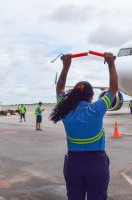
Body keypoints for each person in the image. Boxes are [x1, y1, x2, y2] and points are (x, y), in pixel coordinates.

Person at [50, 52, 118, 200]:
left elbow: (59, 87)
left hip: (74, 164)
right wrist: (111, 64)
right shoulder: (97, 110)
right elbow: (113, 88)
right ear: (91, 96)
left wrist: (66, 66)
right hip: (97, 165)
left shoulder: (66, 111)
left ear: (74, 95)